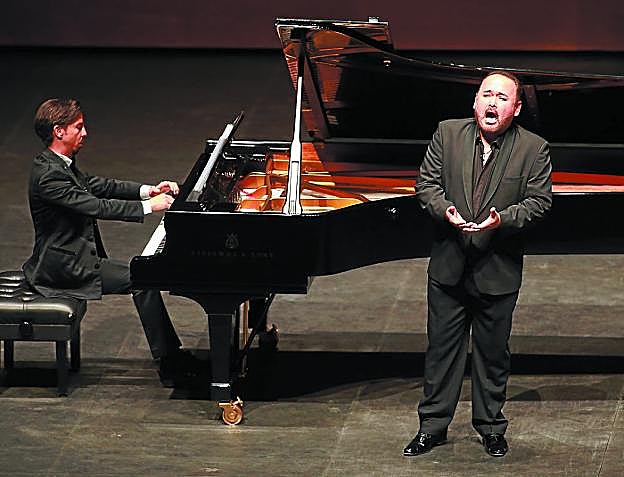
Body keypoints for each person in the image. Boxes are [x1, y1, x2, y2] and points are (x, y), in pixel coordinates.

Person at [404, 71, 552, 458]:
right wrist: (445, 210)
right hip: (449, 267)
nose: (492, 103)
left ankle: (490, 427)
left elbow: (539, 202)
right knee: (441, 353)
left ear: (515, 109)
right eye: (487, 95)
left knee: (492, 355)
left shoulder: (533, 148)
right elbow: (426, 185)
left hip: (497, 271)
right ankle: (432, 427)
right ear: (475, 101)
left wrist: (503, 219)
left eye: (502, 98)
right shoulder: (447, 134)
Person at [22, 98, 194, 387]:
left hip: (73, 257)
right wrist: (150, 207)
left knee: (144, 279)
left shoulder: (58, 164)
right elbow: (96, 205)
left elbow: (100, 185)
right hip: (62, 267)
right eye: (78, 127)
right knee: (143, 280)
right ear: (59, 131)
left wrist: (148, 190)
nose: (85, 132)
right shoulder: (49, 176)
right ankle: (171, 364)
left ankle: (172, 358)